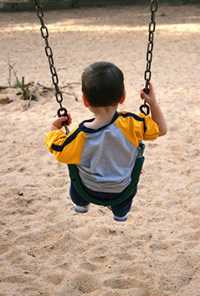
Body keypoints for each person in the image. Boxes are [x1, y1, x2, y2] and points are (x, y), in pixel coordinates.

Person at [45, 61, 167, 222]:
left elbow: (58, 149)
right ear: (122, 97)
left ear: (85, 101)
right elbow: (161, 129)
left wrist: (55, 127)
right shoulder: (133, 124)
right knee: (125, 199)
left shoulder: (80, 134)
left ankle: (81, 205)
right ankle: (120, 214)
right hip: (122, 190)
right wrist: (153, 103)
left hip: (87, 189)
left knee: (75, 183)